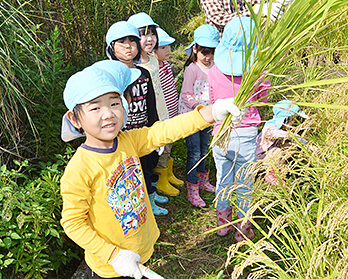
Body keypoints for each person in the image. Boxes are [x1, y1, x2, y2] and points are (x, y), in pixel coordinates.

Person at [60, 61, 245, 279]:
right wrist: (114, 256)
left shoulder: (128, 140)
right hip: (110, 267)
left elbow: (166, 131)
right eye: (95, 108)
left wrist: (211, 112)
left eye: (114, 103)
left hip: (139, 247)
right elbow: (73, 222)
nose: (108, 114)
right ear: (75, 118)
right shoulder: (80, 168)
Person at [208, 16, 270, 242]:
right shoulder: (255, 71)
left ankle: (223, 225)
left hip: (220, 133)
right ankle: (243, 230)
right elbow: (262, 98)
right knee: (245, 183)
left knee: (224, 179)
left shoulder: (214, 70)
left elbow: (213, 99)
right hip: (245, 134)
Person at [105, 21, 169, 216]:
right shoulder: (109, 75)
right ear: (111, 47)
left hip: (143, 131)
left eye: (132, 42)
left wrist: (156, 130)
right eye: (121, 42)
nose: (128, 46)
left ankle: (149, 202)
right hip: (122, 136)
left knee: (147, 166)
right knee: (127, 173)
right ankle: (132, 207)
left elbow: (151, 104)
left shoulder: (143, 73)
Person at [128, 12, 184, 198]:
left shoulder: (153, 60)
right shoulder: (133, 66)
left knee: (156, 155)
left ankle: (152, 191)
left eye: (152, 33)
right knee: (145, 159)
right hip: (144, 120)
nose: (149, 38)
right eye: (143, 34)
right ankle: (147, 196)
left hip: (161, 113)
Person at [179, 24, 219, 208]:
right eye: (204, 52)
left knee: (204, 149)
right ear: (195, 49)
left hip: (208, 116)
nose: (208, 57)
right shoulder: (192, 69)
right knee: (194, 152)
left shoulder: (214, 66)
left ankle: (203, 181)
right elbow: (186, 94)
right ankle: (192, 189)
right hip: (192, 116)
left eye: (211, 52)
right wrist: (198, 107)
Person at [256, 100, 309, 187]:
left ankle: (285, 171)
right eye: (293, 120)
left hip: (271, 159)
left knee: (290, 146)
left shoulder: (283, 130)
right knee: (277, 151)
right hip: (260, 160)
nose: (294, 123)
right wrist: (295, 137)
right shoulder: (269, 127)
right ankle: (272, 175)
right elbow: (280, 135)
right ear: (286, 119)